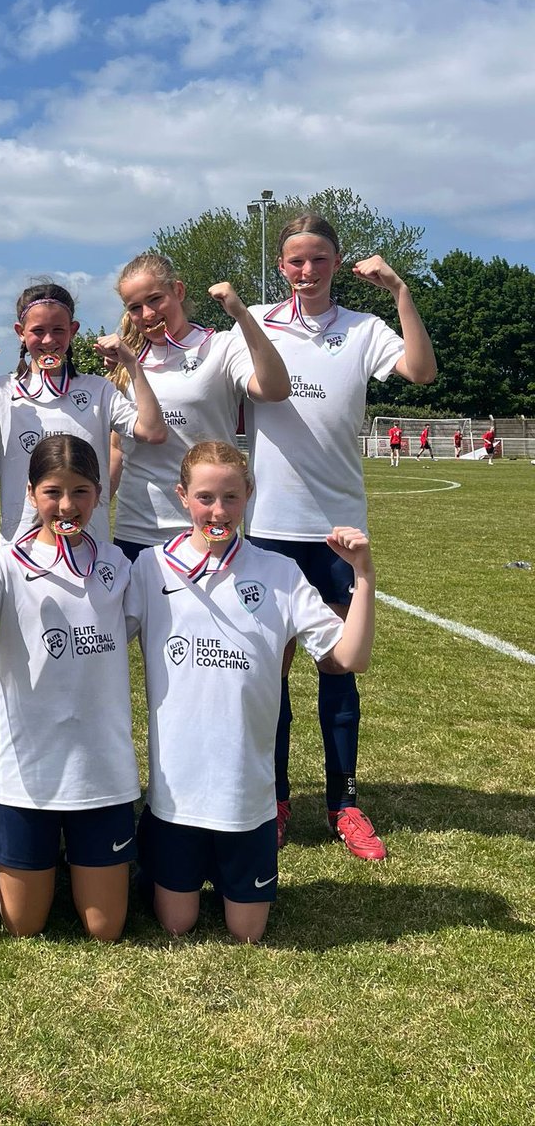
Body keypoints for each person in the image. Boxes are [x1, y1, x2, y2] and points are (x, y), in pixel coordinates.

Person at [244, 214, 436, 859]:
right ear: (281, 266)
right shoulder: (256, 328)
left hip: (336, 530)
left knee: (337, 666)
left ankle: (344, 802)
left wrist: (400, 291)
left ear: (336, 262)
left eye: (319, 260)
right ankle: (273, 800)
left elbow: (421, 372)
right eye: (296, 261)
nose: (307, 272)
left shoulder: (363, 328)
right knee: (271, 671)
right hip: (269, 527)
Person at [130, 441, 376, 942]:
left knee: (248, 933)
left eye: (230, 498)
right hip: (176, 797)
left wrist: (364, 575)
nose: (217, 511)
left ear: (249, 496)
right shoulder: (150, 567)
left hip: (246, 800)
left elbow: (351, 658)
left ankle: (232, 868)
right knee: (178, 924)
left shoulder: (279, 573)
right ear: (182, 496)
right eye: (204, 498)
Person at [0, 435, 140, 941]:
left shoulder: (118, 565)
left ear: (98, 495)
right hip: (28, 775)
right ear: (30, 493)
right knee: (23, 926)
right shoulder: (6, 563)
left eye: (81, 492)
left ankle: (102, 862)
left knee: (105, 929)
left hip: (101, 772)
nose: (67, 505)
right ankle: (43, 862)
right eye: (53, 492)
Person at [0, 281, 167, 547]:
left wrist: (132, 364)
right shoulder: (1, 389)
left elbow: (153, 432)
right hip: (22, 547)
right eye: (38, 331)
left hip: (90, 546)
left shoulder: (99, 389)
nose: (49, 340)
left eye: (58, 330)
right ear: (20, 332)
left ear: (73, 330)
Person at [106, 252, 289, 560]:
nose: (147, 314)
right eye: (135, 307)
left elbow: (275, 388)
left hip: (207, 522)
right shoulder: (126, 361)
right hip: (138, 526)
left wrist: (242, 316)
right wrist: (96, 512)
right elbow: (117, 448)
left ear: (178, 291)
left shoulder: (220, 347)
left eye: (155, 299)